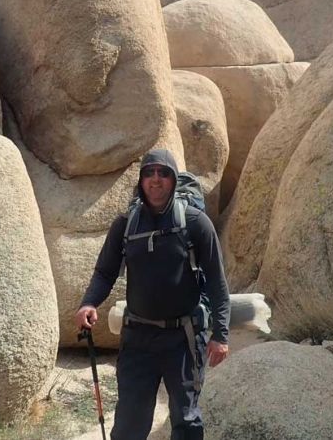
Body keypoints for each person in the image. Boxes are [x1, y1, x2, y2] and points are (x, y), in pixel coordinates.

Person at [76, 148, 230, 440]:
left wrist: (220, 334)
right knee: (130, 422)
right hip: (138, 338)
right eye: (149, 173)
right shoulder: (126, 224)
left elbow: (217, 282)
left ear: (173, 179)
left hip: (183, 337)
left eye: (163, 173)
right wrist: (89, 303)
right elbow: (105, 272)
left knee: (186, 420)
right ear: (141, 180)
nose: (155, 180)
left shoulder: (196, 222)